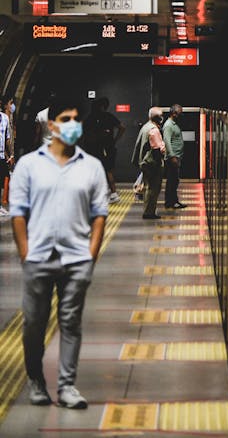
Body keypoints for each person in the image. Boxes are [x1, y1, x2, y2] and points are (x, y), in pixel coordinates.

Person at [9, 94, 108, 409]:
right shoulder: (28, 165)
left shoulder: (91, 167)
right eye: (66, 120)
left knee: (70, 323)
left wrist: (90, 256)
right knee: (34, 324)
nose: (72, 126)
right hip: (38, 258)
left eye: (76, 120)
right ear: (51, 125)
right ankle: (36, 381)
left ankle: (66, 386)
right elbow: (18, 214)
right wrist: (26, 254)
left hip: (77, 259)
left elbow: (99, 215)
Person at [82, 97, 125, 204]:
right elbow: (122, 127)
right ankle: (109, 192)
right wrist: (115, 139)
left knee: (98, 171)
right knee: (108, 170)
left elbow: (84, 131)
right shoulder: (109, 117)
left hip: (95, 148)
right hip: (108, 147)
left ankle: (111, 193)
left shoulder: (90, 118)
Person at [131, 106, 166, 219]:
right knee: (153, 188)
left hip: (145, 162)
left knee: (148, 186)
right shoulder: (154, 130)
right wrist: (161, 156)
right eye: (161, 116)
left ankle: (148, 210)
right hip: (152, 163)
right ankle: (149, 212)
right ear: (158, 118)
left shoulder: (146, 127)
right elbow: (156, 149)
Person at [162, 104, 187, 209]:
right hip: (173, 157)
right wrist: (172, 156)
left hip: (176, 156)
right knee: (172, 180)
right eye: (180, 113)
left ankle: (172, 201)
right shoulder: (168, 125)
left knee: (173, 180)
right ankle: (171, 202)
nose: (181, 115)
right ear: (174, 113)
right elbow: (167, 141)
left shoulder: (174, 124)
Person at [0, 94, 14, 216]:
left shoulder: (4, 118)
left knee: (2, 180)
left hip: (1, 155)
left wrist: (9, 155)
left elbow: (7, 139)